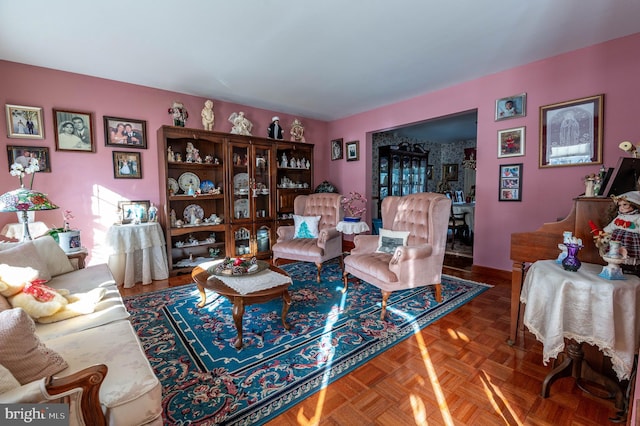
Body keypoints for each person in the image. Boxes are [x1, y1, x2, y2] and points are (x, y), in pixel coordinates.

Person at [595, 191, 640, 261]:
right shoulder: (619, 216)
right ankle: (615, 261)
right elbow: (612, 226)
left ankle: (630, 263)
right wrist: (604, 232)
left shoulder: (637, 217)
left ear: (634, 205)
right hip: (616, 238)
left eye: (625, 204)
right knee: (614, 251)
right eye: (619, 205)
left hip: (631, 239)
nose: (622, 208)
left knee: (629, 251)